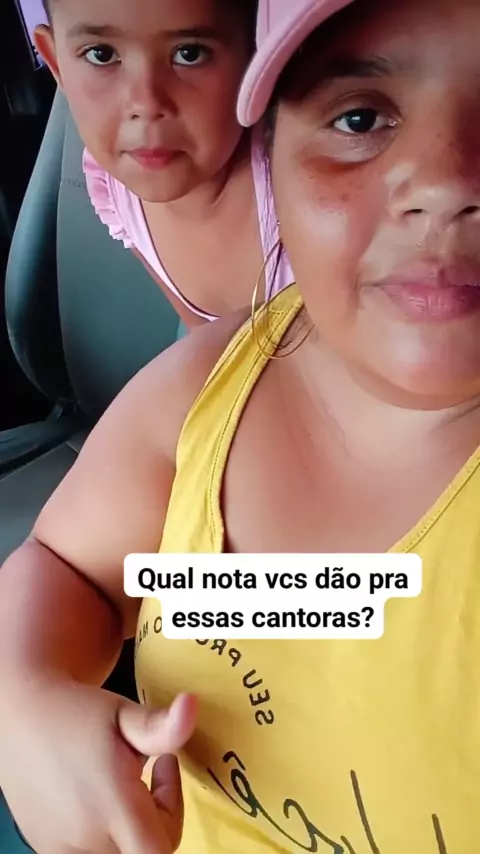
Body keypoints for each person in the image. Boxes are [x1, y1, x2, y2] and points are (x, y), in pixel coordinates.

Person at [1, 0, 480, 850]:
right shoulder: (207, 389)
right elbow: (73, 570)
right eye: (359, 120)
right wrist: (24, 694)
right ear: (275, 156)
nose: (445, 183)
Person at [34, 0, 293, 326]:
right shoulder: (114, 193)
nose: (146, 104)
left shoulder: (298, 184)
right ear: (56, 63)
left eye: (189, 54)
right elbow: (208, 339)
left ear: (255, 53)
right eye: (101, 54)